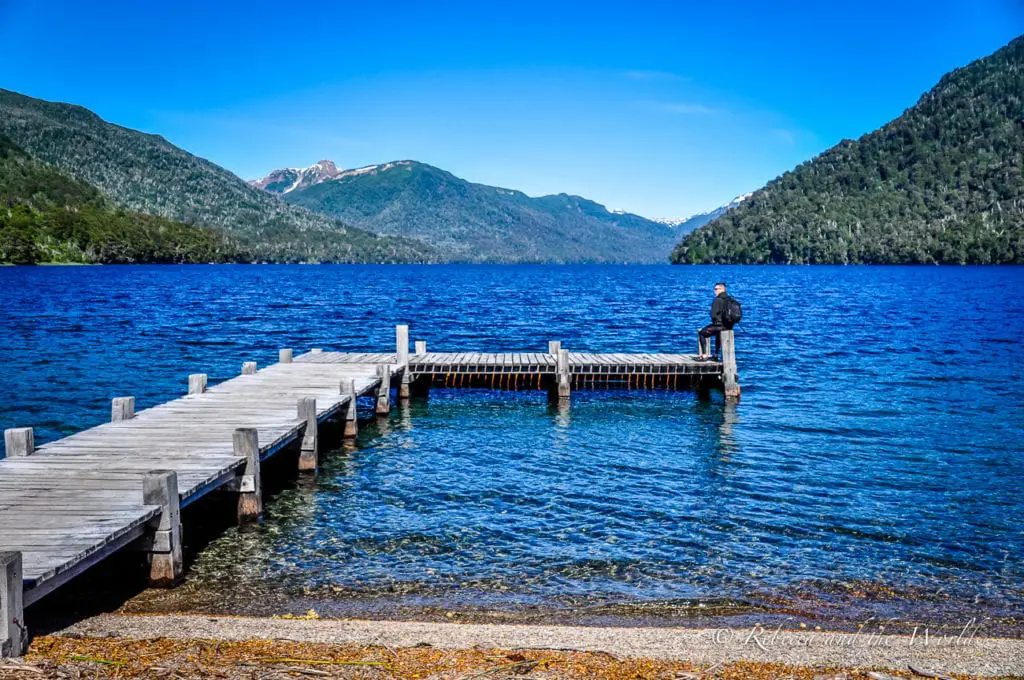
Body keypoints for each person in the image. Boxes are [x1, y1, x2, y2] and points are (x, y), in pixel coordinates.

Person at [697, 282, 732, 360]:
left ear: (721, 289)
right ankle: (716, 354)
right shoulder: (730, 299)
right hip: (729, 326)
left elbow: (713, 314)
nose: (714, 291)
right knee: (718, 334)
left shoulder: (717, 300)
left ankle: (704, 354)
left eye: (716, 289)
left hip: (720, 325)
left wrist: (715, 321)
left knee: (702, 333)